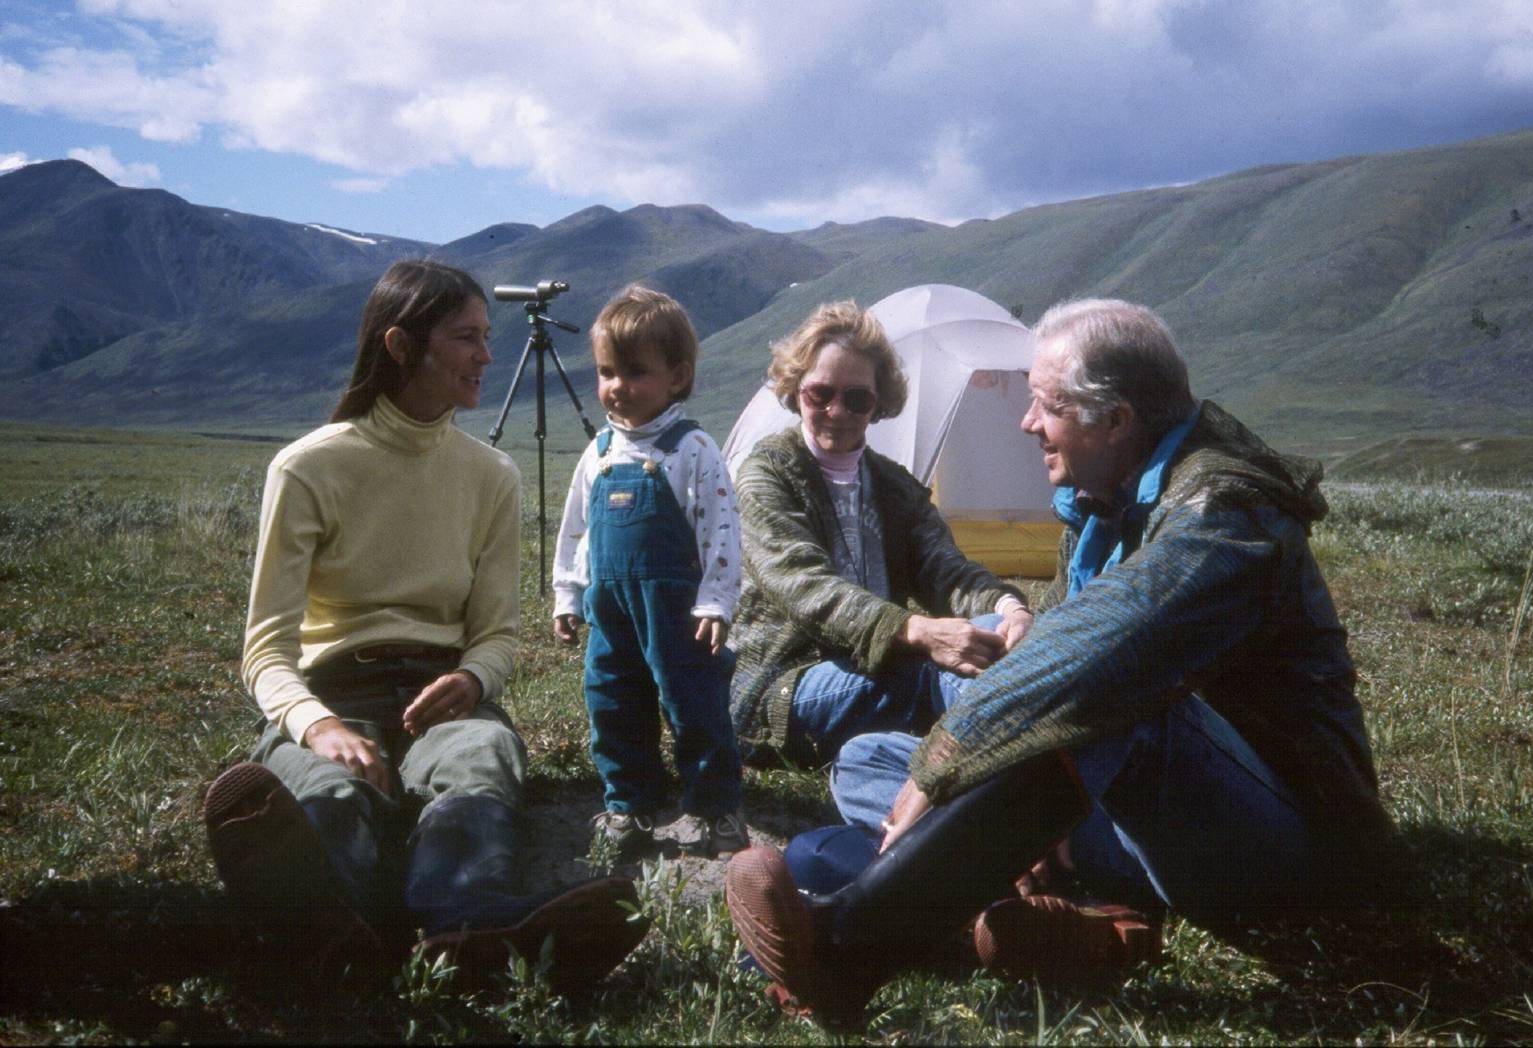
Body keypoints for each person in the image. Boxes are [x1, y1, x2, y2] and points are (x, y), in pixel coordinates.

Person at [726, 297, 1391, 1029]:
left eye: (1044, 405)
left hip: (1282, 846)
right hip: (1143, 811)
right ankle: (1078, 920)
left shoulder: (1223, 513)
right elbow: (806, 584)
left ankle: (851, 945)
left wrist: (953, 754)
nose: (1025, 422)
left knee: (1119, 699)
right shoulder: (1105, 501)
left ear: (1115, 420)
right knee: (865, 758)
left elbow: (1102, 653)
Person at [202, 260, 648, 996]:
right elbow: (266, 651)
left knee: (479, 756)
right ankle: (331, 922)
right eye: (467, 338)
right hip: (331, 693)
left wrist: (473, 679)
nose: (487, 356)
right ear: (403, 346)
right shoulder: (307, 468)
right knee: (333, 789)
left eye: (486, 337)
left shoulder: (492, 475)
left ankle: (460, 924)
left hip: (445, 691)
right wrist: (317, 728)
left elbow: (497, 633)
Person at [729, 300, 1033, 772]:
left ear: (878, 403)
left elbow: (944, 570)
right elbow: (805, 586)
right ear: (795, 392)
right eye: (820, 394)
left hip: (877, 666)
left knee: (995, 635)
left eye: (856, 398)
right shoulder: (766, 473)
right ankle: (1026, 768)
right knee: (931, 671)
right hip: (783, 685)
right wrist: (915, 630)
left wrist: (1009, 610)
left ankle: (1021, 764)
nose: (836, 411)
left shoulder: (892, 486)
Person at [552, 285, 747, 861]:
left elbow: (722, 530)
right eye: (606, 371)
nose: (617, 386)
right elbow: (576, 530)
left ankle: (717, 810)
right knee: (610, 699)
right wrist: (569, 593)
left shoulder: (692, 448)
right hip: (610, 610)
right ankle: (631, 802)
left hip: (677, 612)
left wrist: (715, 601)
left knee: (693, 705)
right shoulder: (600, 452)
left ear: (677, 377)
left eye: (635, 372)